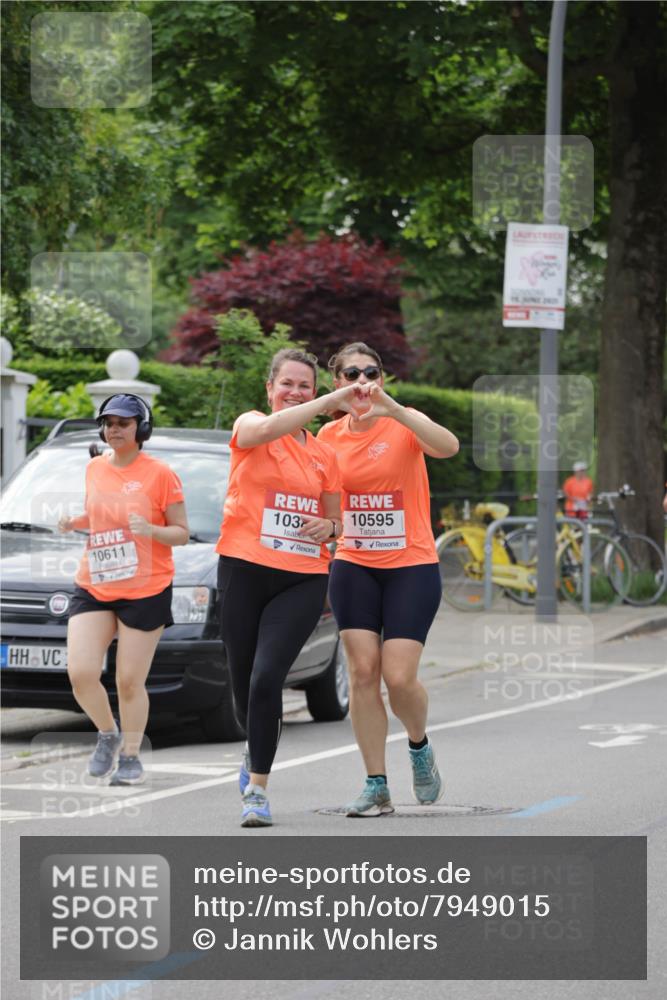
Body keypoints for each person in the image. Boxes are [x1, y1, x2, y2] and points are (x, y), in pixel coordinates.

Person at [216, 348, 367, 828]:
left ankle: (257, 790)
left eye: (305, 386)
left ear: (314, 391)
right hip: (243, 567)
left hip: (301, 577)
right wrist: (325, 405)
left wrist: (331, 529)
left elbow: (335, 519)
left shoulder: (324, 454)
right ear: (270, 388)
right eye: (288, 384)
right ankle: (253, 746)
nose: (296, 392)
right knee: (243, 687)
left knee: (267, 680)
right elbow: (262, 430)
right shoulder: (251, 426)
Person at [317, 342, 459, 817]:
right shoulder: (328, 438)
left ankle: (418, 746)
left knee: (399, 678)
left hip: (410, 566)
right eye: (351, 373)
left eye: (371, 372)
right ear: (336, 383)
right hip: (354, 564)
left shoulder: (404, 422)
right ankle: (376, 782)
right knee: (362, 673)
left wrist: (395, 408)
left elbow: (448, 447)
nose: (362, 381)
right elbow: (319, 500)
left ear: (382, 377)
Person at [58, 394, 188, 785]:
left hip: (146, 587)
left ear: (141, 429)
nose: (114, 429)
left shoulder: (161, 473)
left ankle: (131, 756)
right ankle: (107, 733)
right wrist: (73, 520)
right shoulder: (95, 468)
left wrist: (151, 530)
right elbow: (98, 515)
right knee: (80, 672)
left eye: (124, 423)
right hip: (95, 582)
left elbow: (180, 533)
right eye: (108, 422)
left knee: (128, 681)